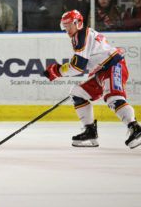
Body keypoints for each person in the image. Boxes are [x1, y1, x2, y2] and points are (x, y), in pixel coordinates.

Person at [43, 10, 141, 149]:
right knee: (77, 93)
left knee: (114, 97)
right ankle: (90, 132)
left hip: (113, 65)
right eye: (65, 26)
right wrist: (59, 71)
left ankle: (135, 128)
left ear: (79, 23)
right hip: (103, 70)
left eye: (70, 25)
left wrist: (57, 71)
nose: (67, 29)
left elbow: (77, 67)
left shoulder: (82, 35)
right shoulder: (79, 35)